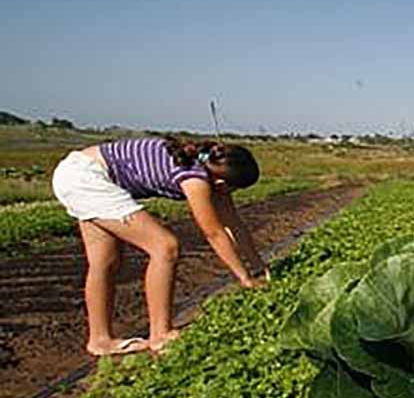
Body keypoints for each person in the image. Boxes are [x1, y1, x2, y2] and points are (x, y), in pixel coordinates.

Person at [51, 136, 268, 356]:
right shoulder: (195, 178)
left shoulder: (206, 166)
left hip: (75, 172)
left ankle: (100, 340)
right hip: (87, 178)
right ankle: (160, 334)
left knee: (105, 262)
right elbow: (213, 232)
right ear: (223, 184)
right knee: (165, 246)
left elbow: (234, 224)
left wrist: (260, 268)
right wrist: (244, 278)